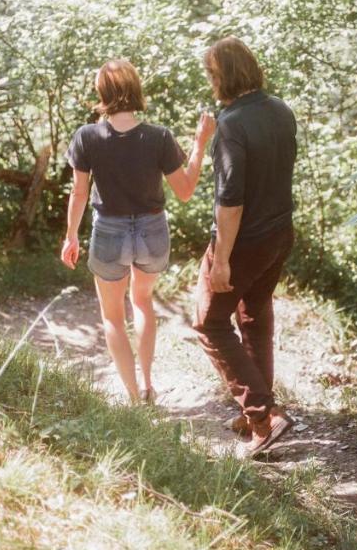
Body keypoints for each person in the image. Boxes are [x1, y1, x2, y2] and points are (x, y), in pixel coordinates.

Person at [62, 59, 215, 403]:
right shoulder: (158, 136)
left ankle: (133, 396)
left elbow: (79, 192)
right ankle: (147, 384)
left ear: (102, 93)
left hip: (110, 232)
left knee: (113, 317)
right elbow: (186, 190)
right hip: (152, 230)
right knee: (143, 302)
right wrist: (200, 143)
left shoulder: (88, 136)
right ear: (135, 89)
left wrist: (71, 235)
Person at [192, 38, 298, 460]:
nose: (210, 82)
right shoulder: (280, 110)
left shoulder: (231, 123)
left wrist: (221, 259)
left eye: (212, 74)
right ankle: (257, 408)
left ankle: (263, 417)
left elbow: (230, 199)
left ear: (226, 76)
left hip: (246, 241)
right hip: (279, 233)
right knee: (253, 317)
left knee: (209, 322)